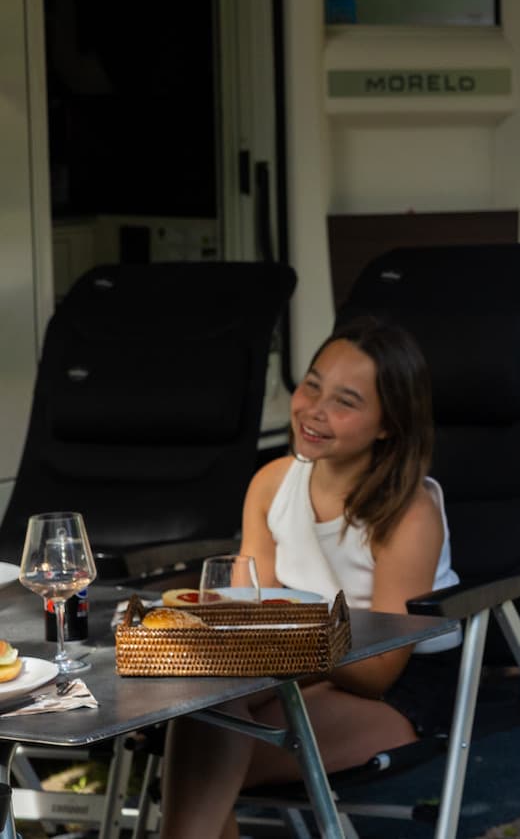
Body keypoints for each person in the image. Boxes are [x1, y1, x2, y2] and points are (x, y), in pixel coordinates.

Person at [160, 316, 461, 839]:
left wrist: (268, 637)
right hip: (294, 669)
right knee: (206, 713)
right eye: (312, 384)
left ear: (388, 424)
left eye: (346, 401)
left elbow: (380, 668)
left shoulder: (407, 514)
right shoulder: (271, 484)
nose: (315, 410)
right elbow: (246, 612)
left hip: (393, 688)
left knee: (202, 762)